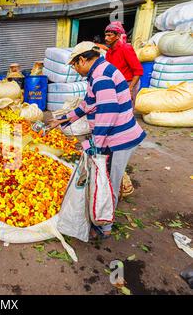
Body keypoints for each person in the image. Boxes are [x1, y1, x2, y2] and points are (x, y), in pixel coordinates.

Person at [48, 41, 146, 240]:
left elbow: (108, 112)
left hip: (120, 138)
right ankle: (102, 221)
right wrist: (63, 120)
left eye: (74, 65)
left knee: (107, 181)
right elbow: (88, 104)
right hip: (113, 136)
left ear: (82, 60)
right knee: (106, 177)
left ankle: (104, 227)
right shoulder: (99, 73)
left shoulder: (101, 76)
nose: (75, 70)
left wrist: (97, 145)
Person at [104, 22, 143, 104]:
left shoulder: (125, 48)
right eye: (106, 35)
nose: (106, 38)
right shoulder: (109, 52)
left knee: (127, 111)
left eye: (109, 35)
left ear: (117, 36)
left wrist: (130, 88)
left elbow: (138, 71)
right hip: (116, 84)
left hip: (129, 83)